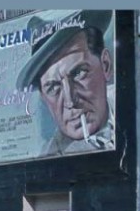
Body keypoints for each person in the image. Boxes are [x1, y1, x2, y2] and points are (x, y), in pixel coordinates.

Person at [16, 10, 115, 157]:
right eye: (53, 87)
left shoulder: (136, 104)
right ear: (44, 98)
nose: (70, 101)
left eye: (78, 73)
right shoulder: (50, 161)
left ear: (105, 65)